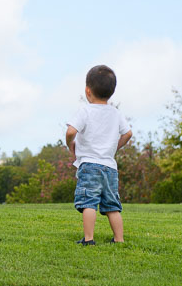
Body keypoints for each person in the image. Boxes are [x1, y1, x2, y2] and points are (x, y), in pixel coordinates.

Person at [65, 65, 133, 245]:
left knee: (88, 202)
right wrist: (115, 148)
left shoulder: (85, 111)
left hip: (89, 165)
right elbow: (128, 134)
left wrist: (70, 144)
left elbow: (71, 131)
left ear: (88, 91)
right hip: (110, 167)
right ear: (111, 92)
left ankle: (89, 239)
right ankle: (119, 239)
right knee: (112, 205)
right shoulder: (116, 113)